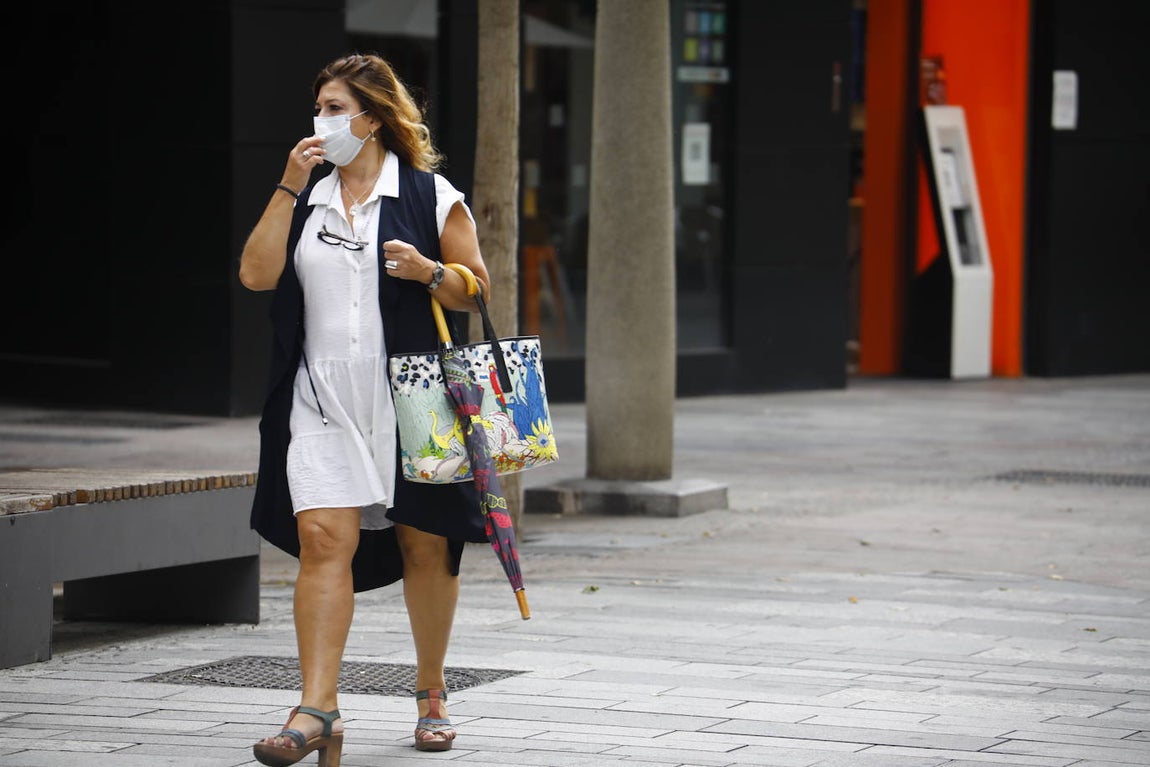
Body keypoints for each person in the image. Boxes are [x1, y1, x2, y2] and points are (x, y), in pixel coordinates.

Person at [239, 52, 491, 765]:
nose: (322, 122)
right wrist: (289, 184)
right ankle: (317, 707)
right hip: (319, 395)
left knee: (426, 542)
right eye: (318, 108)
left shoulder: (430, 194)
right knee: (322, 538)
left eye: (335, 108)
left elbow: (476, 290)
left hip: (413, 399)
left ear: (372, 119)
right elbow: (256, 273)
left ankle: (432, 692)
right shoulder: (308, 198)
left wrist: (430, 271)